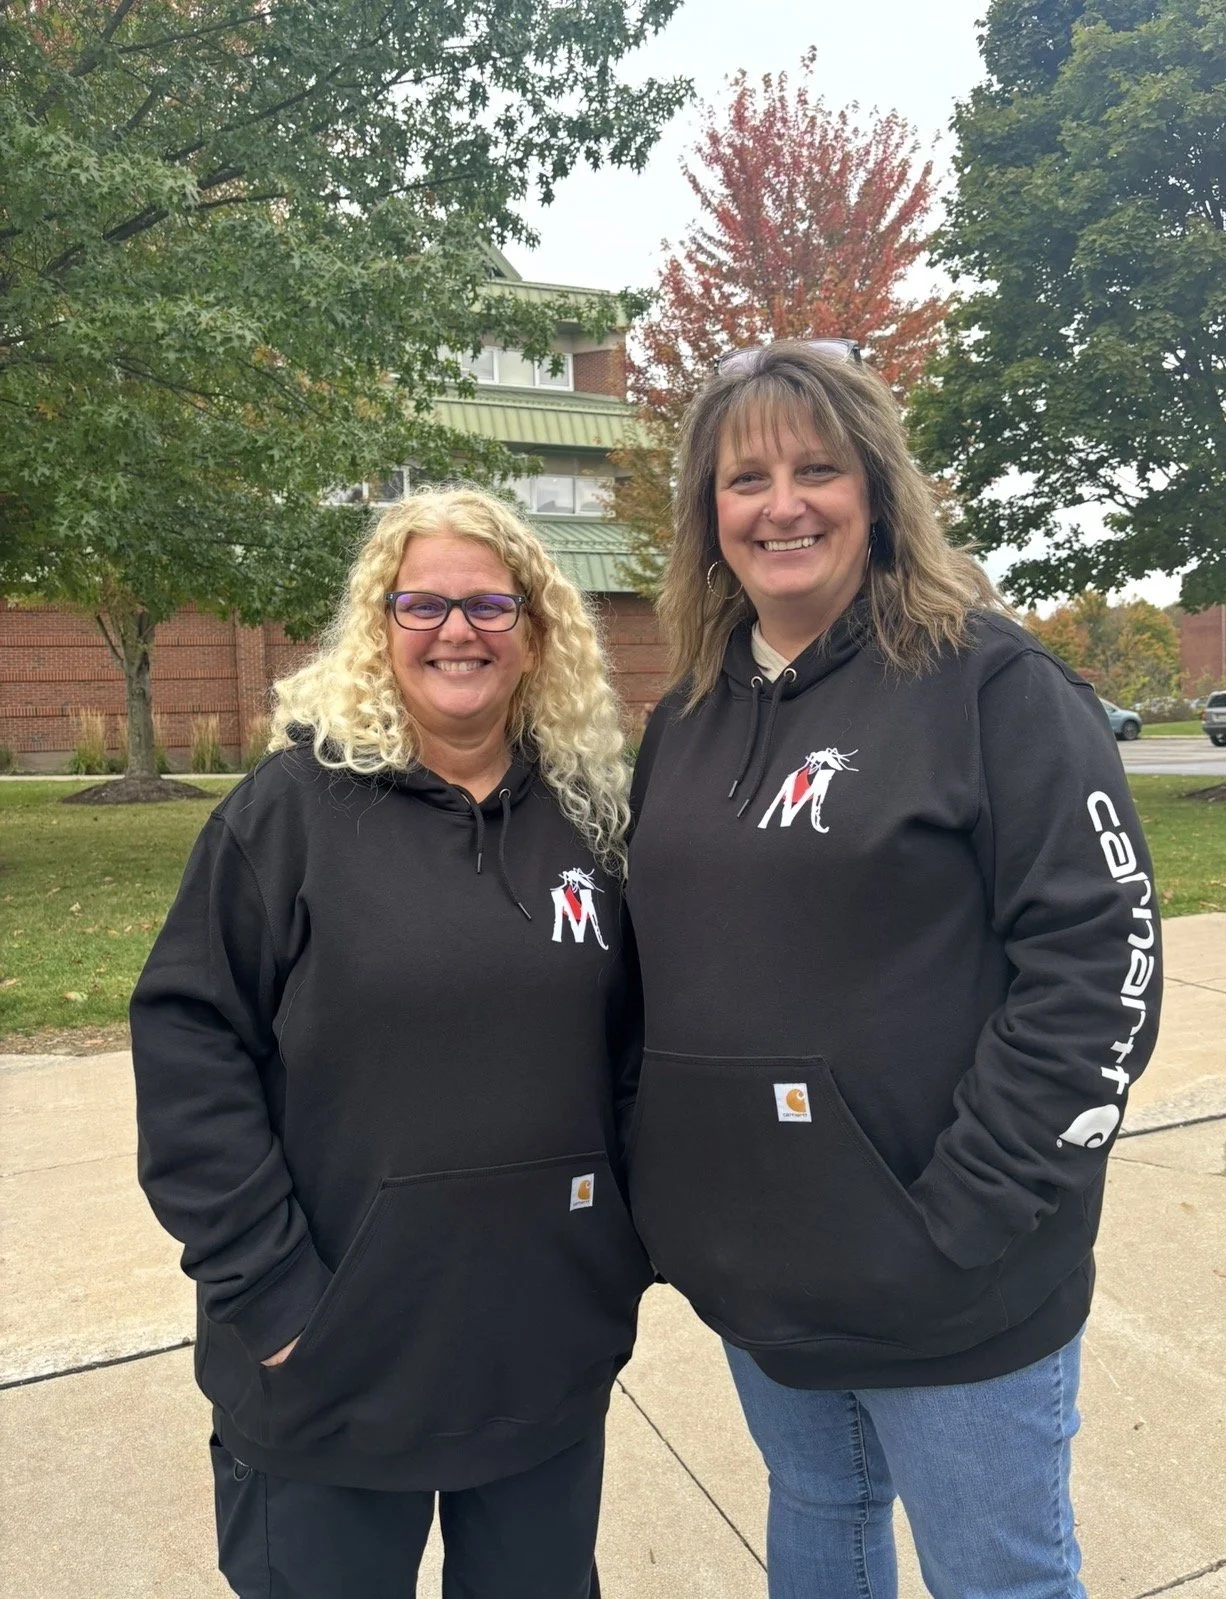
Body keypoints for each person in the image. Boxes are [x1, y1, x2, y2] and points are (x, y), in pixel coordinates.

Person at [624, 341, 1163, 1599]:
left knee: (998, 1575)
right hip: (765, 1269)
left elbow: (1100, 968)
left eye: (818, 469)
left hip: (956, 1280)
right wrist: (678, 1197)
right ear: (711, 517)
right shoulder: (688, 717)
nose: (783, 503)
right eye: (746, 479)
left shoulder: (993, 684)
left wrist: (963, 1216)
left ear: (876, 490)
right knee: (823, 1520)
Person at [131, 487, 652, 1599]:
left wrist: (618, 1259)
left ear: (535, 632)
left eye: (488, 606)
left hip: (539, 1359)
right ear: (380, 628)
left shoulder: (590, 822)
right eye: (422, 604)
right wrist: (273, 1305)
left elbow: (637, 1060)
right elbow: (191, 1051)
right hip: (331, 1366)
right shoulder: (291, 813)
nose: (456, 631)